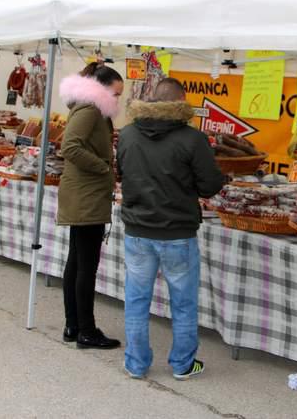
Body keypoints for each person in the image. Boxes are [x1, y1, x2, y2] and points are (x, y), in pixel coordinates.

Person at [116, 78, 225, 380]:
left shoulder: (127, 134)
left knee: (137, 300)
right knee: (184, 303)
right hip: (178, 233)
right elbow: (209, 185)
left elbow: (122, 173)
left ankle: (136, 364)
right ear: (182, 100)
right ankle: (182, 364)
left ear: (151, 99)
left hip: (138, 231)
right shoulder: (192, 139)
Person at [57, 61, 124, 350]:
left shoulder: (88, 107)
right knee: (86, 265)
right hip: (87, 195)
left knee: (77, 262)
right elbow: (70, 146)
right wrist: (103, 168)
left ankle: (73, 325)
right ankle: (86, 329)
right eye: (117, 94)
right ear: (102, 88)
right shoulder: (90, 109)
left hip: (85, 193)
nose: (118, 100)